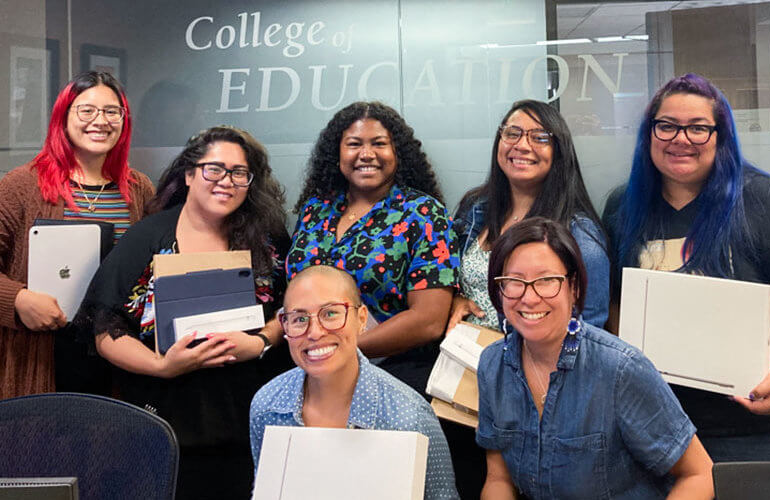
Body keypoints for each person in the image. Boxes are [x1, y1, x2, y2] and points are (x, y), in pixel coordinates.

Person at [79, 126, 293, 499]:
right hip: (165, 429)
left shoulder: (267, 239)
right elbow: (104, 328)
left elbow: (292, 311)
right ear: (190, 174)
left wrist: (258, 343)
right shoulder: (148, 238)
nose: (226, 181)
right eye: (214, 169)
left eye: (239, 173)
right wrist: (162, 366)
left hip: (252, 427)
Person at [603, 73, 770, 462]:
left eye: (698, 128)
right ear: (649, 134)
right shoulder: (623, 207)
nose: (681, 139)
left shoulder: (761, 200)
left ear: (720, 137)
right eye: (667, 126)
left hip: (753, 429)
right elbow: (615, 306)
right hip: (656, 427)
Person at [476, 217, 713, 499]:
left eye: (547, 280)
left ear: (573, 287)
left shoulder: (620, 369)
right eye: (514, 281)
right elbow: (498, 479)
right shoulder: (493, 365)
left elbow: (700, 474)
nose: (529, 297)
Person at [287, 101, 460, 395]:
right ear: (337, 153)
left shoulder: (423, 213)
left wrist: (335, 349)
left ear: (397, 153)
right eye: (354, 144)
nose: (366, 154)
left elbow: (429, 321)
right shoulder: (314, 211)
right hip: (311, 371)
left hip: (394, 374)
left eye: (379, 144)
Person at [0, 70, 154, 399]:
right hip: (44, 354)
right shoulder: (21, 186)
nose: (100, 120)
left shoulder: (138, 189)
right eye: (87, 110)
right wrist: (18, 300)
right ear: (63, 116)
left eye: (112, 111)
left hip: (117, 354)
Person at [250, 265, 459, 500]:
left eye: (330, 314)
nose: (315, 332)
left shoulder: (408, 417)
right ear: (285, 326)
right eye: (299, 319)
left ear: (361, 319)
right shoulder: (267, 405)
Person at [449, 99, 608, 333]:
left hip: (526, 364)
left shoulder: (579, 234)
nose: (522, 145)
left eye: (540, 137)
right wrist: (457, 298)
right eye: (512, 133)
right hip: (460, 355)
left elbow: (589, 329)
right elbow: (450, 276)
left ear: (559, 151)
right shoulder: (476, 208)